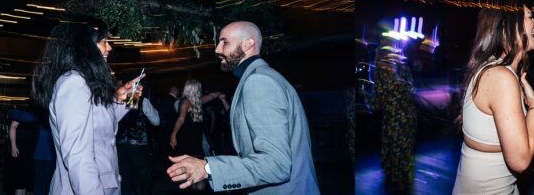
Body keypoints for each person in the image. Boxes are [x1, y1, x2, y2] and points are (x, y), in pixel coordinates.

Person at [166, 21, 319, 194]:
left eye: (225, 42)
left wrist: (208, 168)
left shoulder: (259, 82)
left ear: (248, 44)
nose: (217, 49)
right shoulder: (259, 77)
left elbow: (277, 165)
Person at [31, 21, 143, 195]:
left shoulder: (85, 82)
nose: (110, 47)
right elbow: (79, 157)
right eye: (104, 41)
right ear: (85, 46)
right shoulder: (74, 84)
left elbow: (101, 124)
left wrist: (127, 98)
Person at [452, 4, 534, 194]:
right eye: (529, 16)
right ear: (507, 24)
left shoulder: (492, 68)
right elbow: (520, 160)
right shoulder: (501, 77)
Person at [372, 38, 417, 193]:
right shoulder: (396, 67)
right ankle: (401, 177)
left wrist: (375, 103)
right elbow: (409, 87)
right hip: (402, 115)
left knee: (397, 146)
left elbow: (381, 94)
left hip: (397, 116)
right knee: (401, 146)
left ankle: (398, 178)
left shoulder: (384, 70)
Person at [116, 84, 160, 195]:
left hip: (120, 145)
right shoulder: (142, 100)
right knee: (142, 179)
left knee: (124, 178)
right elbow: (156, 121)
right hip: (138, 145)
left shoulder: (115, 99)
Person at [4, 107, 37, 195]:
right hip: (21, 150)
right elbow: (13, 126)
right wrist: (13, 146)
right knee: (20, 181)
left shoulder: (39, 112)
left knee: (28, 182)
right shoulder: (23, 111)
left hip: (32, 151)